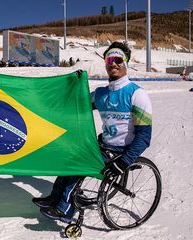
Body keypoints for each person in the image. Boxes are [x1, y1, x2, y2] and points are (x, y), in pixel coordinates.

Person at [33, 42, 153, 222]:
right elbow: (77, 104)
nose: (113, 64)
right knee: (69, 156)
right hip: (103, 145)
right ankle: (56, 196)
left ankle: (65, 209)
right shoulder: (101, 94)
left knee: (81, 164)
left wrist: (125, 161)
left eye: (118, 60)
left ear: (126, 63)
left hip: (122, 151)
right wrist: (74, 83)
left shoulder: (137, 94)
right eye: (109, 60)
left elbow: (144, 137)